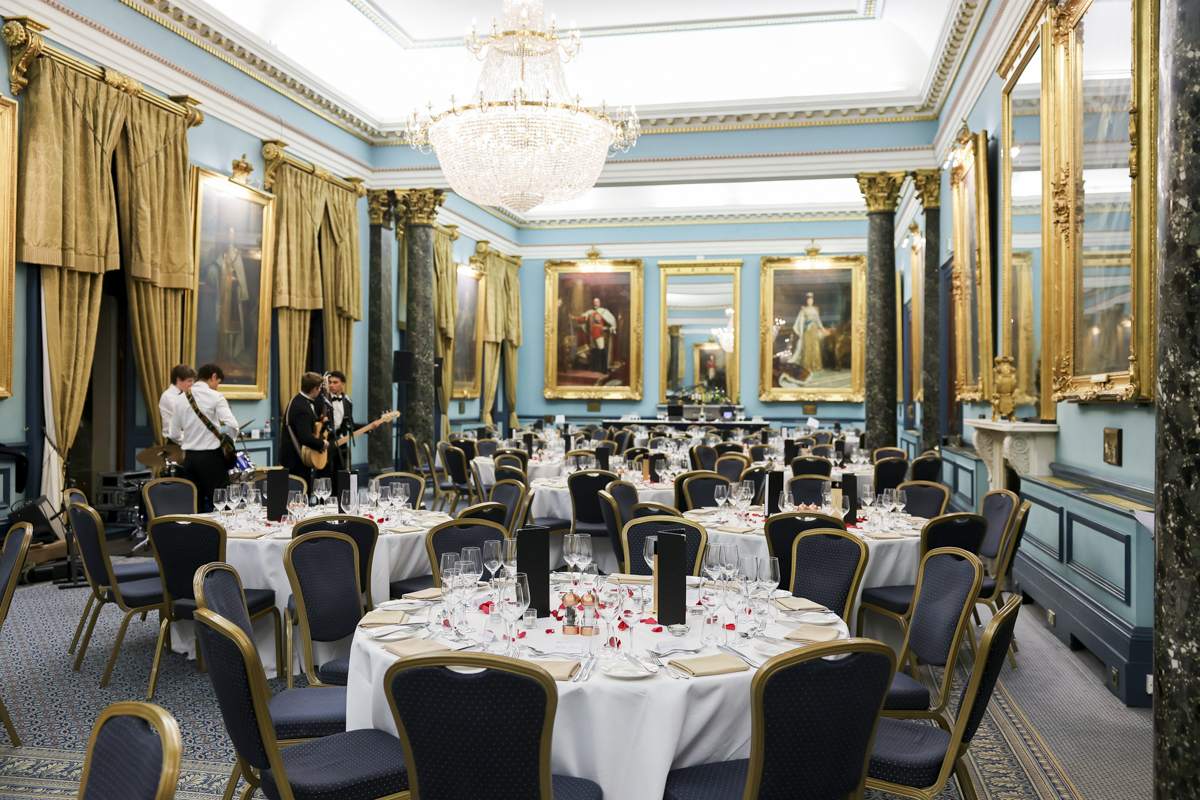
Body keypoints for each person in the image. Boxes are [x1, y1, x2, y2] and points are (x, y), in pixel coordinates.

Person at [169, 363, 238, 512]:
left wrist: (187, 441)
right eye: (218, 383)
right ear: (213, 376)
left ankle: (197, 535)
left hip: (190, 460)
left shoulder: (180, 399)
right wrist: (229, 443)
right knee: (219, 505)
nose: (217, 387)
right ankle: (220, 534)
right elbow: (232, 425)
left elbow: (173, 434)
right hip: (211, 458)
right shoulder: (216, 396)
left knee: (194, 506)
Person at [204, 226, 250, 366]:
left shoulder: (236, 253)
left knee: (235, 325)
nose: (231, 236)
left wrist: (241, 289)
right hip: (224, 295)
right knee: (223, 324)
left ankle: (233, 354)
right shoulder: (219, 252)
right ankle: (223, 354)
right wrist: (212, 274)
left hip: (234, 295)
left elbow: (240, 276)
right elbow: (213, 267)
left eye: (233, 233)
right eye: (229, 233)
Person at [279, 372, 329, 489]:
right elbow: (306, 438)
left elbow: (301, 424)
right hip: (297, 461)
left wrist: (317, 420)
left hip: (292, 458)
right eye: (320, 388)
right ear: (315, 389)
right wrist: (322, 444)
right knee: (300, 496)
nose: (320, 391)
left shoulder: (297, 400)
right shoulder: (303, 408)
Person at [576, 297, 618, 374]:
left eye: (597, 302)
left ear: (600, 303)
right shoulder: (590, 312)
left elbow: (612, 320)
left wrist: (608, 327)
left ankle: (604, 368)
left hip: (599, 334)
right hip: (592, 335)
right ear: (593, 303)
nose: (596, 303)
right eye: (594, 302)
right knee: (594, 351)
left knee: (601, 351)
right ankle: (595, 367)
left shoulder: (603, 311)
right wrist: (573, 318)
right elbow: (582, 319)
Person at [789, 292, 828, 373]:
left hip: (814, 332)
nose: (810, 301)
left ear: (813, 300)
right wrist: (801, 332)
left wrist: (822, 328)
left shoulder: (815, 309)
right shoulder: (804, 310)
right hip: (807, 331)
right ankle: (808, 366)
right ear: (807, 301)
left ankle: (816, 366)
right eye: (808, 300)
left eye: (811, 300)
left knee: (816, 348)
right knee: (808, 348)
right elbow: (802, 322)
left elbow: (818, 321)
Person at [158, 364, 195, 444]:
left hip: (186, 438)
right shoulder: (168, 396)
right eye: (189, 381)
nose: (192, 384)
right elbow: (187, 416)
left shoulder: (185, 394)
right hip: (175, 442)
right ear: (178, 380)